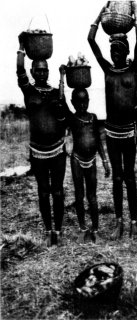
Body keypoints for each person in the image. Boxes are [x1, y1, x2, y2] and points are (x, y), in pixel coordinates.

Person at [88, 1, 137, 239]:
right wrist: (100, 14)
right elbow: (91, 41)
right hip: (111, 133)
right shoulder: (108, 71)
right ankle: (119, 222)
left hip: (129, 132)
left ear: (126, 51)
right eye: (112, 51)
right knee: (117, 177)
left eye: (119, 50)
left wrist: (136, 9)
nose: (115, 54)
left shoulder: (134, 70)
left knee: (130, 177)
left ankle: (134, 222)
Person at [16, 32, 68, 246]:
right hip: (38, 151)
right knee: (43, 191)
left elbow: (64, 118)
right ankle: (48, 231)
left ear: (48, 71)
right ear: (32, 71)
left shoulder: (56, 93)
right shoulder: (29, 92)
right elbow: (19, 70)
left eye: (44, 70)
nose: (41, 74)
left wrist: (63, 78)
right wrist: (21, 46)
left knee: (57, 191)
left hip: (57, 149)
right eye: (37, 70)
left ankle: (59, 230)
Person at [59, 77, 110, 243]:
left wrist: (105, 160)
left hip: (92, 160)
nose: (82, 105)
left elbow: (99, 141)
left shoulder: (93, 118)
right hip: (77, 160)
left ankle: (95, 229)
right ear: (73, 103)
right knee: (79, 195)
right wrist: (62, 77)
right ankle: (82, 228)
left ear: (88, 101)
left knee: (92, 196)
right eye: (78, 102)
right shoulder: (72, 119)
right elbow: (61, 99)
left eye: (84, 102)